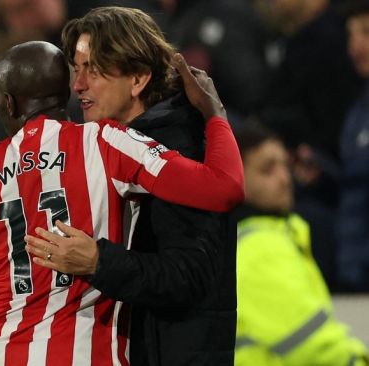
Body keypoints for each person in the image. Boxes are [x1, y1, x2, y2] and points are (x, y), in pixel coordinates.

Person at [0, 40, 243, 365]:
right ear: (65, 90)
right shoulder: (106, 142)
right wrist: (214, 116)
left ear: (8, 102)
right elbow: (224, 189)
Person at [24, 7, 238, 365]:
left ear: (138, 79)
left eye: (93, 69)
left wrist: (98, 261)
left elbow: (191, 276)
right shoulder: (103, 149)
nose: (78, 86)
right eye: (77, 70)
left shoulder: (178, 152)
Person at [232, 121, 369, 366]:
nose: (285, 178)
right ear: (235, 177)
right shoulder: (259, 248)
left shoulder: (253, 240)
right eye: (267, 169)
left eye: (285, 165)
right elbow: (314, 348)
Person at [337, 0, 369, 292]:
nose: (355, 46)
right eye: (351, 35)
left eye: (366, 33)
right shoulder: (358, 108)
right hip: (352, 266)